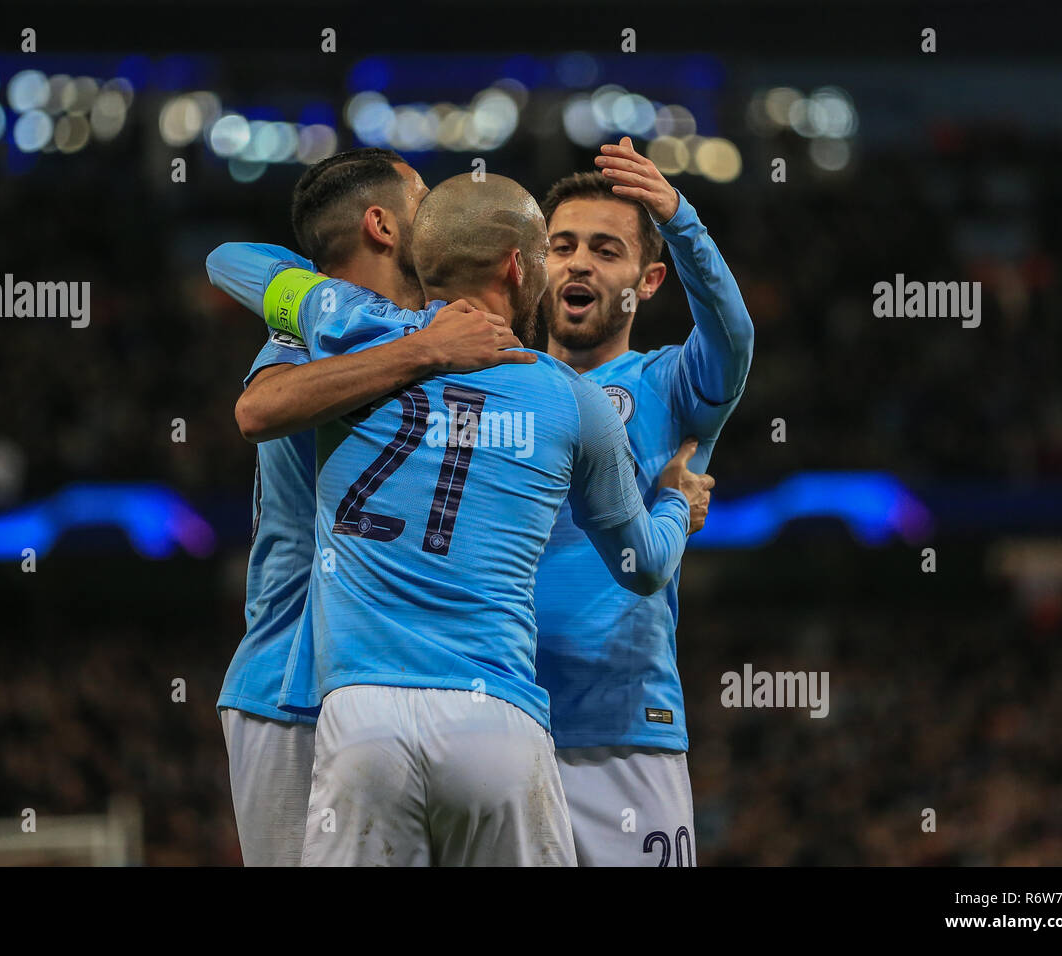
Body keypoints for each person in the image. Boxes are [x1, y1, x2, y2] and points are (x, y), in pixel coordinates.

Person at [249, 173, 708, 865]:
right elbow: (642, 565)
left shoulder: (347, 345)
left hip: (359, 713)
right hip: (494, 715)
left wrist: (391, 335)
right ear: (521, 267)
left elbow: (230, 263)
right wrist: (675, 502)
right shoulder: (566, 396)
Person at [208, 148, 529, 865]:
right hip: (293, 689)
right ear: (382, 226)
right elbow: (259, 408)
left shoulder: (452, 333)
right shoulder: (307, 334)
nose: (445, 219)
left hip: (418, 687)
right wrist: (419, 351)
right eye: (425, 203)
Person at [532, 137, 754, 865]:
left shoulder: (669, 386)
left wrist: (681, 219)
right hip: (497, 724)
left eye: (605, 249)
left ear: (648, 278)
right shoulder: (495, 381)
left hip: (625, 731)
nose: (579, 263)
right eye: (561, 245)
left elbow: (731, 338)